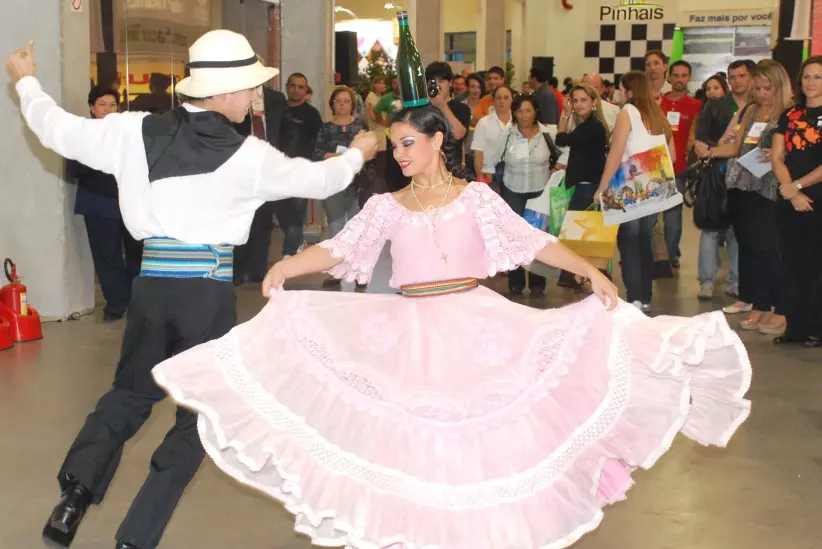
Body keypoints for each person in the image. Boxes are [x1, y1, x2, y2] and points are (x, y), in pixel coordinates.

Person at [152, 104, 751, 549]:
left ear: (438, 140)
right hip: (409, 332)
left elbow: (533, 241)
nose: (400, 155)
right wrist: (288, 264)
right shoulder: (385, 206)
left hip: (476, 326)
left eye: (409, 143)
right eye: (394, 146)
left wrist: (591, 272)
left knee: (479, 441)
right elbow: (338, 248)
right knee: (414, 441)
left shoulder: (477, 199)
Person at [6, 31, 377, 549]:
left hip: (151, 288)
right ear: (222, 93)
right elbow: (320, 181)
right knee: (198, 418)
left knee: (130, 395)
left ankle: (74, 496)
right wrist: (358, 153)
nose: (254, 97)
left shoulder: (133, 130)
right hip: (205, 294)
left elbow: (56, 130)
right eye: (248, 87)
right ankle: (135, 538)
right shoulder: (249, 156)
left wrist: (26, 82)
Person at [700, 59, 792, 337]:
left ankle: (776, 304)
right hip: (740, 186)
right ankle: (757, 301)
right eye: (758, 88)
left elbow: (796, 151)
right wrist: (710, 153)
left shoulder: (788, 114)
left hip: (769, 190)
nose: (762, 94)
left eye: (768, 88)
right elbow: (737, 147)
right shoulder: (750, 110)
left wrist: (778, 154)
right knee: (748, 248)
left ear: (779, 87)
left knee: (768, 249)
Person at [594, 71, 676, 313]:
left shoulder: (627, 111)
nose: (619, 94)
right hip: (653, 186)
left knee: (629, 244)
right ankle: (646, 297)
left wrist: (602, 187)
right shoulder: (657, 114)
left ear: (629, 91)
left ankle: (635, 298)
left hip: (628, 187)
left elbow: (616, 152)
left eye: (621, 89)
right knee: (644, 243)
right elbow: (671, 154)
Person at [68, 86, 142, 321]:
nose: (108, 109)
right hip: (99, 204)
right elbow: (73, 169)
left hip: (131, 203)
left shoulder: (129, 132)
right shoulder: (83, 134)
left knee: (137, 256)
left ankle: (137, 303)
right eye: (102, 104)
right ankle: (116, 305)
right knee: (107, 258)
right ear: (92, 108)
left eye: (112, 104)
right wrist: (99, 154)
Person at [770, 55, 822, 348]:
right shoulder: (789, 115)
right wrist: (790, 190)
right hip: (790, 198)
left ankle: (817, 328)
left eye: (818, 77)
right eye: (807, 76)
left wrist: (798, 186)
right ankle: (795, 328)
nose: (811, 82)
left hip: (816, 198)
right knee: (792, 263)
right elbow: (777, 157)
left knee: (817, 265)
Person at [231, 79, 298, 285]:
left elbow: (288, 129)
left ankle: (257, 270)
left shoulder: (275, 98)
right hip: (243, 166)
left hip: (269, 167)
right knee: (242, 217)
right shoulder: (236, 94)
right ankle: (237, 270)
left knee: (263, 218)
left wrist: (283, 156)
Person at [659, 60, 703, 270]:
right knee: (651, 217)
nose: (679, 79)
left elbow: (695, 136)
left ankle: (669, 256)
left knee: (672, 216)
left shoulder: (695, 106)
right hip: (654, 167)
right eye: (675, 75)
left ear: (689, 78)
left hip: (678, 168)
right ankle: (658, 253)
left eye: (684, 75)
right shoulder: (658, 102)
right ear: (669, 77)